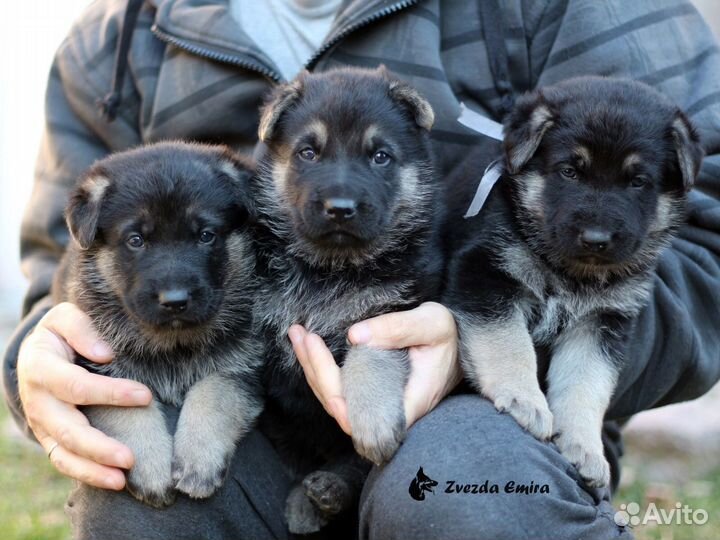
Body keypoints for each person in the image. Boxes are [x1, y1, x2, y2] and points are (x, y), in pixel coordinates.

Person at [4, 0, 720, 538]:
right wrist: (40, 360)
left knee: (467, 485)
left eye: (377, 155)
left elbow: (705, 236)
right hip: (240, 403)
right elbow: (61, 266)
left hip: (484, 413)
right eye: (308, 155)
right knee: (135, 501)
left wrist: (495, 352)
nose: (339, 192)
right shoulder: (111, 42)